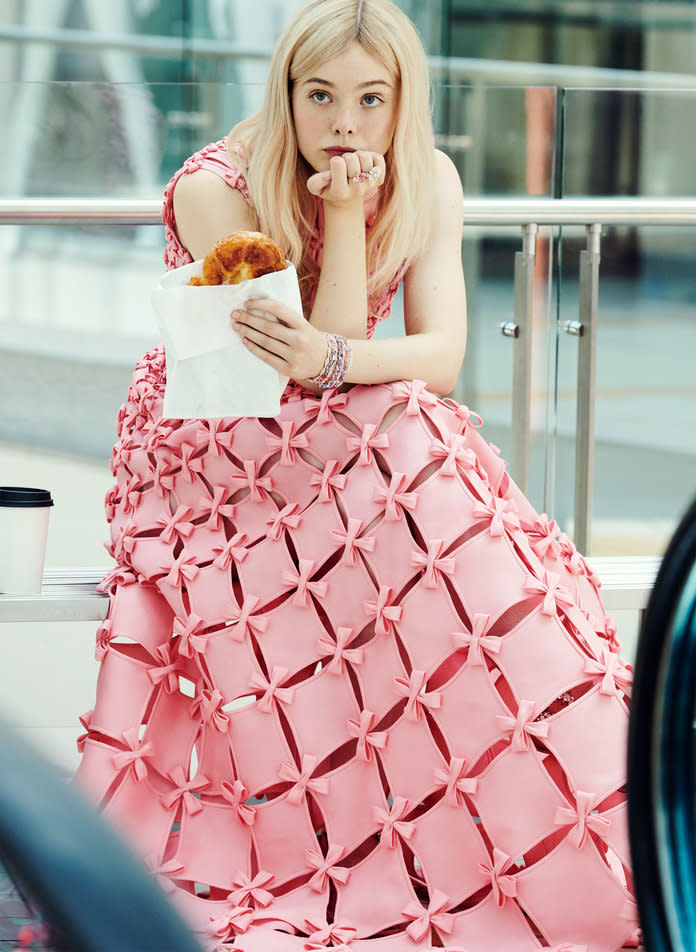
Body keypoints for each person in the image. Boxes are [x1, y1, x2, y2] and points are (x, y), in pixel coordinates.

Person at [75, 2, 639, 950]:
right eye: (322, 96)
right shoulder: (218, 190)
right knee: (411, 432)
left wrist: (339, 339)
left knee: (419, 430)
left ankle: (556, 801)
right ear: (286, 94)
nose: (346, 123)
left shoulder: (431, 178)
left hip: (346, 424)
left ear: (402, 102)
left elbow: (439, 354)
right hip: (215, 443)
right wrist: (340, 219)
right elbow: (284, 374)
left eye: (372, 99)